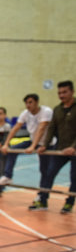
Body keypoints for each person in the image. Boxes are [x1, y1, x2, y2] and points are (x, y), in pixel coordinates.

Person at [0, 94, 53, 210]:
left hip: (46, 144)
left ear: (37, 102)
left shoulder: (46, 111)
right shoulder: (25, 113)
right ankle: (8, 175)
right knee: (12, 150)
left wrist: (33, 146)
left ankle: (42, 198)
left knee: (45, 171)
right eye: (26, 103)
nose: (28, 105)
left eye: (30, 102)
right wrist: (6, 144)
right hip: (33, 141)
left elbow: (42, 129)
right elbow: (15, 128)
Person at [38, 80, 75, 214]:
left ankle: (69, 203)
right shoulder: (57, 109)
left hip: (74, 151)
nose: (61, 95)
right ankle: (42, 200)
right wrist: (44, 145)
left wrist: (73, 147)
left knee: (74, 178)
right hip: (60, 149)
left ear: (72, 91)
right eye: (59, 92)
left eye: (65, 92)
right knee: (49, 173)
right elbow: (51, 129)